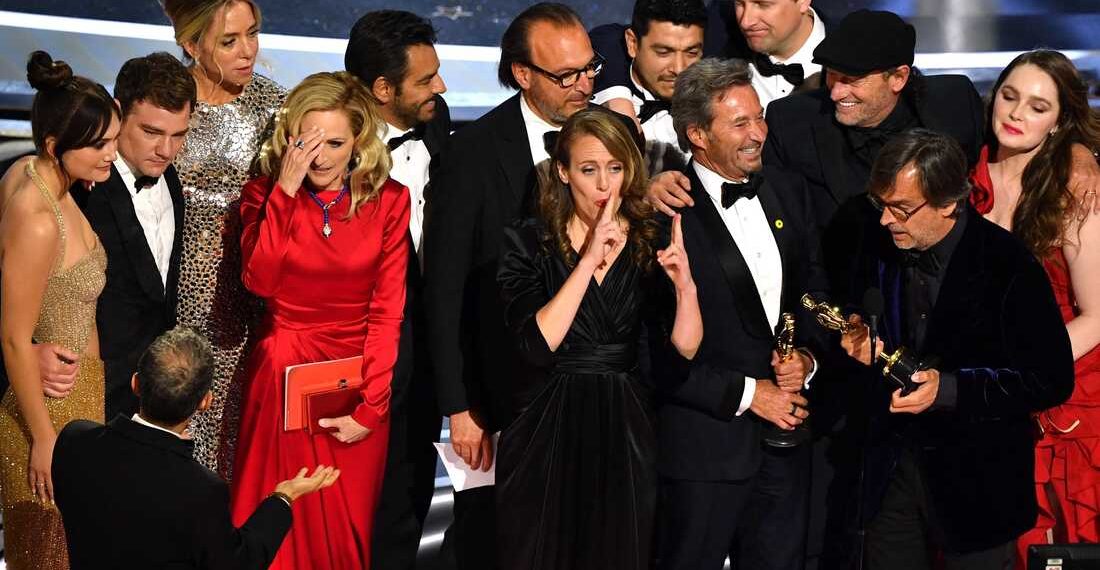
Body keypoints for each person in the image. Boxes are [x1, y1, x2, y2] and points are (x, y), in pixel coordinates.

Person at [422, 4, 634, 568]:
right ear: (523, 75)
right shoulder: (470, 154)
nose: (584, 84)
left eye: (590, 69)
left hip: (599, 403)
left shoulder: (616, 146)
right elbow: (443, 292)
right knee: (496, 543)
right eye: (566, 76)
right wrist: (459, 406)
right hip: (505, 400)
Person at [838, 129, 1074, 569]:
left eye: (902, 209)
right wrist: (856, 328)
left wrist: (948, 390)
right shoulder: (879, 243)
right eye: (881, 205)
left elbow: (1050, 380)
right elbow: (860, 301)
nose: (887, 219)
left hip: (977, 484)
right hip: (891, 473)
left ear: (948, 203)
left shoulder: (1009, 265)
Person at [496, 107, 701, 569]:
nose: (604, 186)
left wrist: (686, 288)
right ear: (564, 172)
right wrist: (587, 260)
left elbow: (684, 348)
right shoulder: (529, 242)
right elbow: (536, 343)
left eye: (615, 168)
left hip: (625, 421)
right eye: (589, 170)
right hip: (545, 421)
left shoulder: (650, 239)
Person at [230, 71, 408, 570]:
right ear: (290, 140)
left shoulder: (388, 200)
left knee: (346, 537)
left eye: (335, 142)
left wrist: (371, 408)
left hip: (358, 382)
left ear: (359, 142)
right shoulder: (260, 196)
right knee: (275, 531)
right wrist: (284, 193)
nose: (321, 156)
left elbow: (388, 310)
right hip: (281, 373)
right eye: (308, 141)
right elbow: (260, 282)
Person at [657, 57, 826, 570]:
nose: (759, 133)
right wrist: (754, 395)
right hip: (703, 451)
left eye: (759, 118)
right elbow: (655, 351)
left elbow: (813, 292)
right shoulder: (663, 215)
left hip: (784, 445)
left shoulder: (787, 189)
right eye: (740, 123)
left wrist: (809, 360)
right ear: (698, 135)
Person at [52, 327, 340, 570]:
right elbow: (238, 563)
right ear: (206, 401)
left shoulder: (74, 441)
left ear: (136, 383)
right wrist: (283, 497)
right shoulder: (202, 489)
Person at [965, 50, 1100, 565]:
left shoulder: (1076, 190)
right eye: (1010, 96)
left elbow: (1098, 313)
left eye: (1038, 106)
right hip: (980, 393)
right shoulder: (962, 178)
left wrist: (1025, 370)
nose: (1017, 114)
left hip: (1063, 395)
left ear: (1060, 121)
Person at [0, 51, 117, 570]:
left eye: (112, 139)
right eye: (99, 145)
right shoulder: (40, 218)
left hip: (81, 402)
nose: (112, 154)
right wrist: (44, 438)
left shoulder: (32, 170)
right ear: (55, 146)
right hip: (49, 413)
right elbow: (12, 336)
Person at [161, 0, 286, 474]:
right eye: (229, 41)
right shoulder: (166, 100)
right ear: (191, 45)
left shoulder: (275, 106)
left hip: (246, 302)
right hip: (171, 300)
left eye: (252, 34)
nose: (247, 51)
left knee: (236, 441)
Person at [344, 12, 449, 569]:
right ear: (383, 90)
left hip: (426, 350)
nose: (441, 87)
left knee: (409, 495)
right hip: (356, 357)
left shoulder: (437, 122)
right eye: (426, 79)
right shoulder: (334, 145)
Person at [70, 52, 192, 421]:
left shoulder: (170, 179)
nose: (166, 150)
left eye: (178, 135)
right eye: (152, 132)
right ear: (118, 112)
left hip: (147, 404)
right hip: (85, 394)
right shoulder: (80, 190)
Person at [588, 0, 707, 174]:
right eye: (664, 52)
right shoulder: (587, 95)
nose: (679, 68)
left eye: (691, 53)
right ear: (632, 44)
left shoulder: (716, 99)